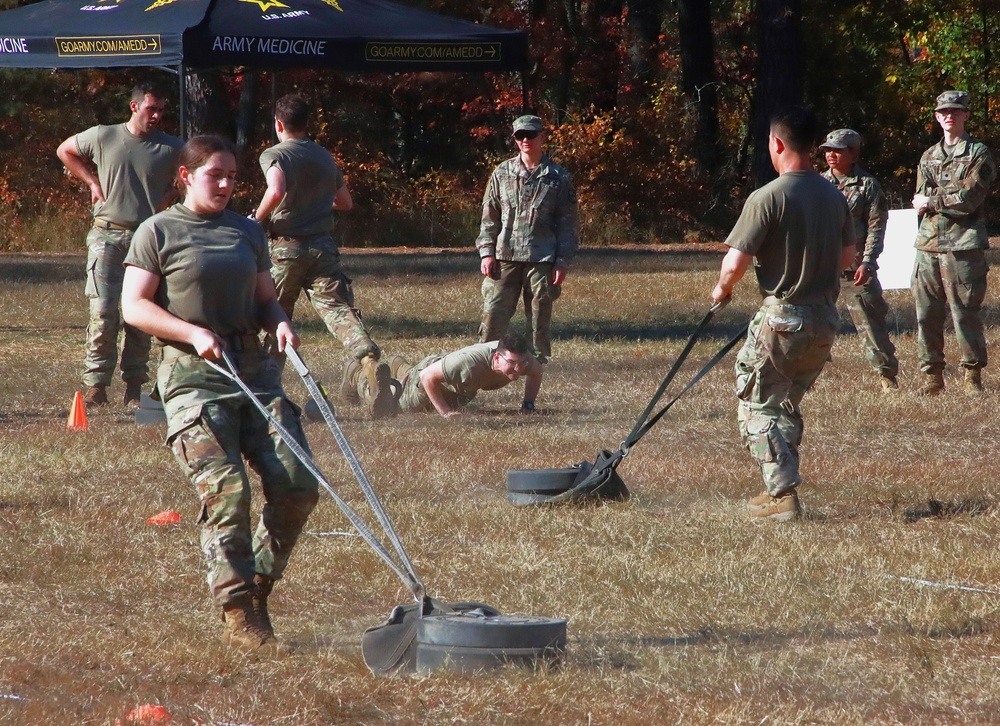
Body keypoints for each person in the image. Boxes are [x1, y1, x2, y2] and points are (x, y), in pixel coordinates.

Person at [121, 135, 319, 655]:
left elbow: (265, 299)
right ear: (187, 177)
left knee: (298, 483)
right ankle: (238, 613)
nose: (228, 184)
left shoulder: (247, 232)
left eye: (233, 175)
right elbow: (134, 308)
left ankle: (257, 589)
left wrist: (279, 322)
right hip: (193, 377)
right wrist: (192, 333)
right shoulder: (157, 231)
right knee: (228, 490)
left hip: (253, 371)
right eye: (217, 175)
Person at [710, 107, 855, 522]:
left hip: (782, 318)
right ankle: (777, 486)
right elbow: (849, 257)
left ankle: (782, 494)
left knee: (757, 405)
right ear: (813, 146)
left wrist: (722, 290)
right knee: (785, 402)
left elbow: (735, 262)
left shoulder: (768, 196)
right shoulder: (834, 197)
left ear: (776, 144)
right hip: (825, 319)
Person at [251, 94, 397, 419]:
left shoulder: (275, 154)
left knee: (274, 316)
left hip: (285, 249)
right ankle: (369, 360)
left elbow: (275, 190)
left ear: (278, 124)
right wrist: (317, 206)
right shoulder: (324, 156)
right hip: (323, 247)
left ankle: (265, 391)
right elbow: (345, 203)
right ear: (307, 124)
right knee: (339, 311)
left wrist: (257, 219)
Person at [56, 82, 183, 408]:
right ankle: (96, 385)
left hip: (146, 239)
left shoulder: (170, 147)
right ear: (134, 106)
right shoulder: (104, 136)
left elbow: (189, 176)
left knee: (140, 317)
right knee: (103, 312)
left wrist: (168, 199)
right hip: (107, 236)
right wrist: (92, 182)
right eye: (151, 109)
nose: (156, 116)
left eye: (161, 111)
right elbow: (65, 150)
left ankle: (134, 386)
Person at [911, 90, 996, 395]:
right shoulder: (928, 156)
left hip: (963, 245)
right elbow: (917, 200)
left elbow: (969, 200)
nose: (950, 115)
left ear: (966, 116)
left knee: (964, 313)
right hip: (928, 245)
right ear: (937, 117)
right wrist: (937, 199)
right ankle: (932, 377)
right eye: (944, 112)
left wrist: (932, 201)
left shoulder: (979, 154)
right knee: (926, 314)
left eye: (956, 111)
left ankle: (972, 376)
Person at [476, 115, 579, 363]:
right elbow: (490, 216)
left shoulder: (557, 177)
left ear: (542, 137)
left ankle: (536, 367)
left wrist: (562, 261)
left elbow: (568, 224)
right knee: (493, 313)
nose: (525, 140)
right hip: (505, 256)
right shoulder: (502, 173)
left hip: (542, 258)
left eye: (531, 135)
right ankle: (486, 363)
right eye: (520, 136)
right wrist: (487, 252)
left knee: (539, 318)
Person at [820, 129, 900, 391]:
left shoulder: (868, 185)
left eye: (838, 150)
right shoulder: (818, 184)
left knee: (870, 324)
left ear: (853, 154)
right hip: (823, 268)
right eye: (828, 150)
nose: (831, 154)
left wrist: (868, 262)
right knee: (813, 323)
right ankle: (806, 377)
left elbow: (877, 227)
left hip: (856, 269)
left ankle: (887, 377)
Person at [342, 333, 542, 418]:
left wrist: (528, 404)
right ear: (497, 357)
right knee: (389, 407)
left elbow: (536, 372)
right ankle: (356, 373)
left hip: (455, 384)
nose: (518, 369)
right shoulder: (468, 363)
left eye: (521, 363)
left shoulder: (524, 362)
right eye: (512, 364)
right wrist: (445, 412)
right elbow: (428, 377)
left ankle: (399, 366)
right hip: (431, 375)